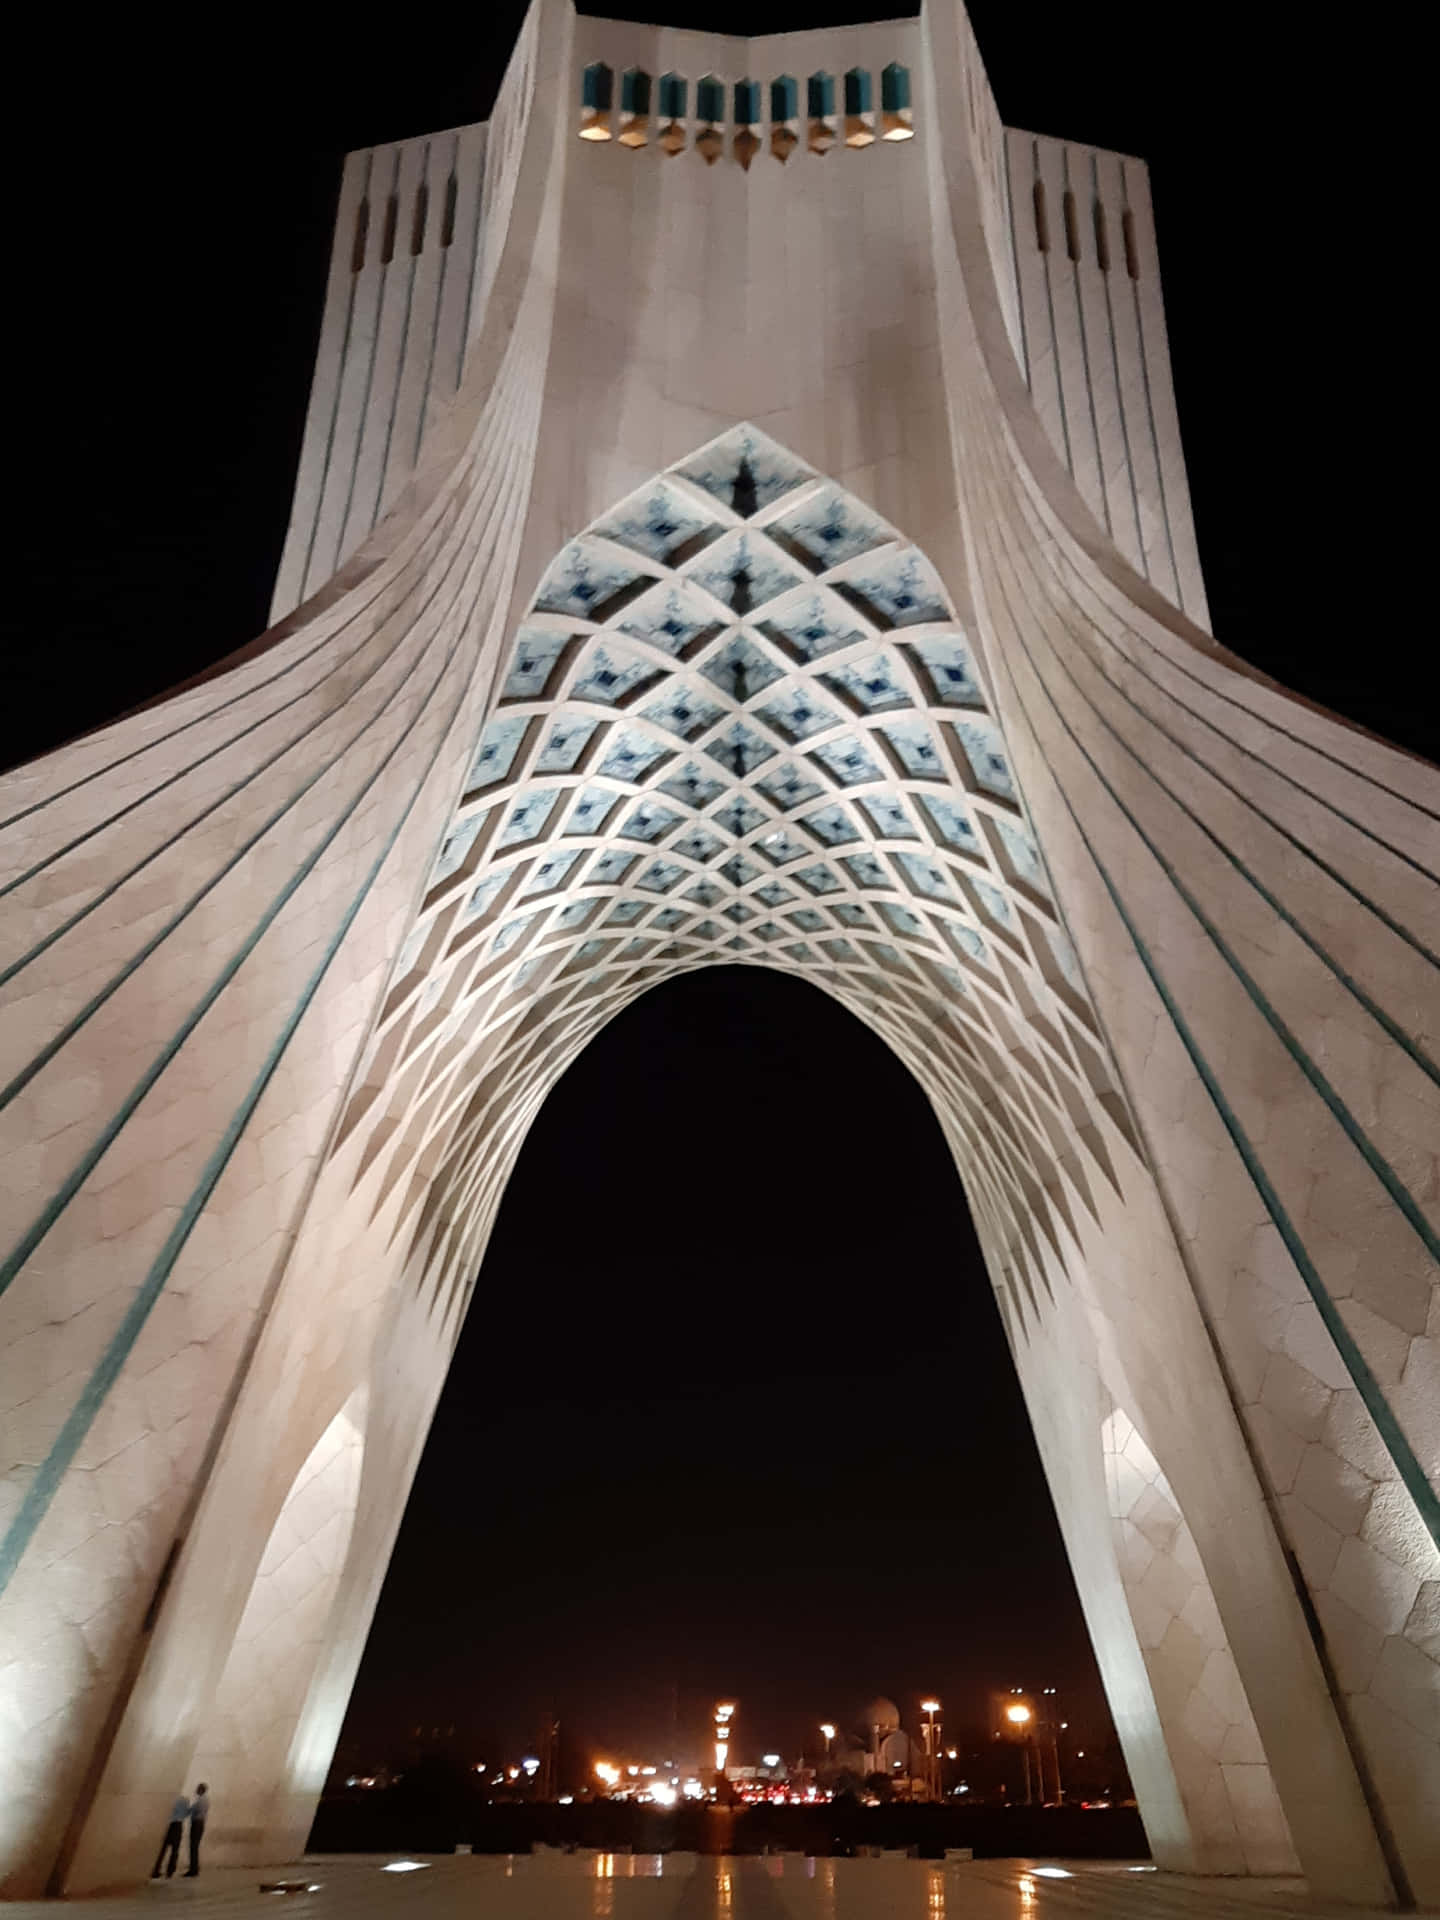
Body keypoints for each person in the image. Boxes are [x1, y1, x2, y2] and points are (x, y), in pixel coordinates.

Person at [150, 1792, 190, 1879]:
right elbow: (187, 1813)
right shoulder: (185, 1800)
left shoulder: (170, 1800)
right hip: (178, 1826)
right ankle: (170, 1872)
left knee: (162, 1850)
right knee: (175, 1850)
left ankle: (156, 1870)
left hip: (169, 1825)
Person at [184, 1784, 210, 1878]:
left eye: (197, 1789)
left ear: (200, 1790)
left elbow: (191, 1810)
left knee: (193, 1847)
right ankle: (195, 1868)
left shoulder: (200, 1800)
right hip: (201, 1824)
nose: (196, 1790)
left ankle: (193, 1870)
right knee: (195, 1846)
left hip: (196, 1824)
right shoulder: (206, 1800)